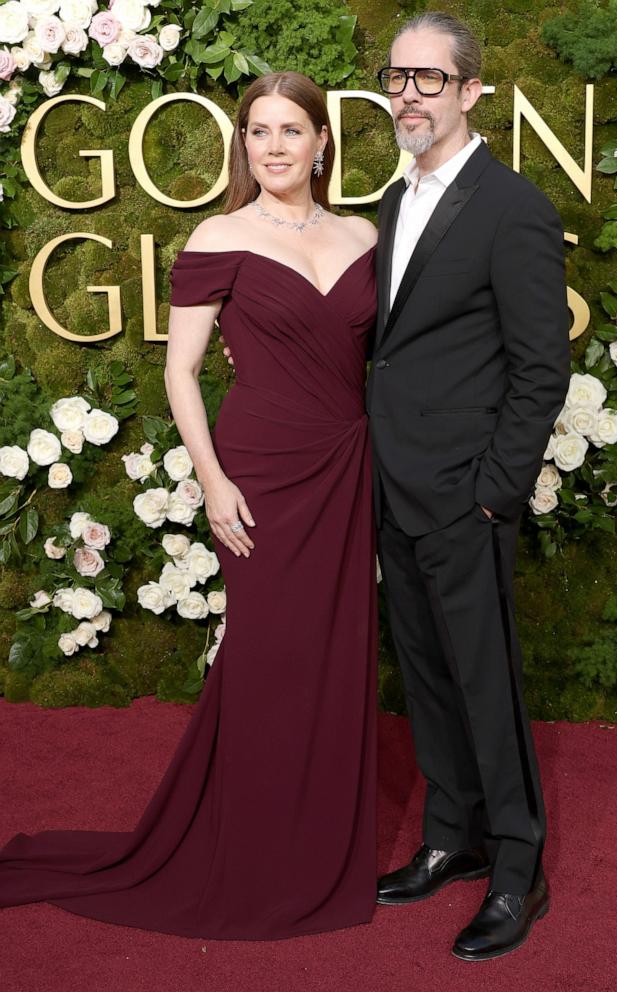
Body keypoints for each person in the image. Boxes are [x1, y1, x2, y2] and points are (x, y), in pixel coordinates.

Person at [0, 72, 379, 941]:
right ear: (243, 146)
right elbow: (180, 370)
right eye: (257, 132)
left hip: (345, 463)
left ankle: (322, 846)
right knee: (269, 656)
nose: (274, 146)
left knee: (338, 652)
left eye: (290, 129)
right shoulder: (219, 235)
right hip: (260, 467)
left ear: (323, 141)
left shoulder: (363, 235)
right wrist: (211, 479)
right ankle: (251, 849)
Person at [369, 13, 570, 961]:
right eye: (397, 76)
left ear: (470, 91)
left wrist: (496, 490)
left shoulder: (512, 206)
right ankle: (450, 833)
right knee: (426, 678)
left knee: (486, 684)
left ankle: (517, 868)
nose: (410, 92)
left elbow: (541, 368)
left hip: (465, 494)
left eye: (429, 78)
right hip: (391, 486)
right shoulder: (389, 201)